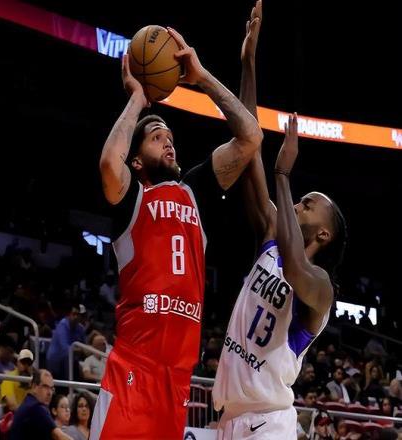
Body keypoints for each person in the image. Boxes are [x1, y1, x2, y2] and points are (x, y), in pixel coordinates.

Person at [91, 20, 263, 439]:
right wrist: (138, 99)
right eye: (155, 137)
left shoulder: (195, 191)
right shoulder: (133, 197)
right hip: (132, 374)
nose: (168, 141)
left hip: (177, 383)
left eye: (169, 136)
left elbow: (250, 137)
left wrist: (201, 77)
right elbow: (109, 163)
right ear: (137, 160)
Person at [213, 2, 347, 438]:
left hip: (269, 423)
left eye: (308, 205)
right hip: (231, 419)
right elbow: (249, 143)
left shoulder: (320, 289)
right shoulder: (273, 236)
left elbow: (294, 268)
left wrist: (285, 176)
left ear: (323, 233)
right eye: (300, 200)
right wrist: (248, 63)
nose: (298, 205)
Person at [9, 369, 71, 440]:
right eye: (45, 387)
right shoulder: (36, 408)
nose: (49, 393)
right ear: (34, 387)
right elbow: (58, 436)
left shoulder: (29, 402)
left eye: (51, 388)